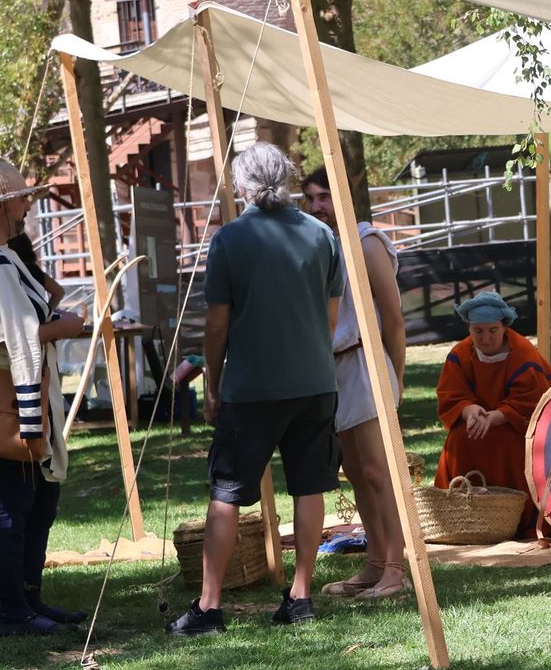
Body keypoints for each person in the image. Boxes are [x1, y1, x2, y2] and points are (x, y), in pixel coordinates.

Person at [167, 143, 343, 637]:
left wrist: (214, 385)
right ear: (287, 179)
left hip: (252, 388)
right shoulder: (322, 235)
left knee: (226, 492)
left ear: (240, 186)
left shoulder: (229, 240)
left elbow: (216, 326)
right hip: (314, 382)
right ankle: (301, 596)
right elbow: (329, 320)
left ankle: (209, 606)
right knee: (310, 488)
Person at [0, 162, 87, 636]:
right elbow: (4, 339)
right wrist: (60, 328)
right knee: (15, 495)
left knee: (39, 496)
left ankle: (29, 598)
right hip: (4, 393)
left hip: (5, 387)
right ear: (3, 204)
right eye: (23, 198)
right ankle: (14, 610)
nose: (28, 204)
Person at [301, 166, 410, 600]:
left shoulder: (365, 242)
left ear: (344, 196)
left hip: (367, 362)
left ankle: (397, 570)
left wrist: (394, 382)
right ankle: (376, 561)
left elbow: (396, 322)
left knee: (379, 472)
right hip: (337, 367)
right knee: (355, 472)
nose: (316, 206)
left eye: (324, 196)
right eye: (310, 198)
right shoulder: (320, 244)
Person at [433, 291, 551, 538]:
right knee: (460, 437)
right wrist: (469, 410)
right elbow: (451, 394)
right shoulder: (459, 354)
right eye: (478, 331)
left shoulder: (523, 354)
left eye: (492, 330)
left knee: (506, 441)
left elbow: (534, 402)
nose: (486, 338)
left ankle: (518, 516)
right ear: (469, 328)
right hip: (476, 421)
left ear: (504, 327)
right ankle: (455, 514)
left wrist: (497, 416)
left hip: (515, 426)